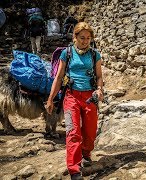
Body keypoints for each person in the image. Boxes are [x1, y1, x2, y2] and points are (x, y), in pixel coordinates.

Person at [45, 22, 103, 180]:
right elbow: (58, 78)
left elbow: (99, 76)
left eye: (88, 38)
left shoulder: (94, 54)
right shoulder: (67, 53)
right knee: (73, 132)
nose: (85, 41)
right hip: (71, 96)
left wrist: (99, 89)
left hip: (90, 97)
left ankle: (86, 152)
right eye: (82, 37)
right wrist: (51, 99)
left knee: (90, 132)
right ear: (75, 37)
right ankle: (74, 169)